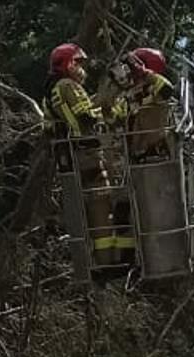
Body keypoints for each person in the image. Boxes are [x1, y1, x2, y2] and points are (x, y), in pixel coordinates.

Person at [44, 43, 134, 268]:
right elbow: (87, 118)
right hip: (87, 152)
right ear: (68, 64)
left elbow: (49, 127)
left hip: (72, 157)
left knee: (96, 208)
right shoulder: (68, 85)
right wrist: (105, 102)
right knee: (102, 206)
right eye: (78, 63)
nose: (82, 69)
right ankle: (111, 262)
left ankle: (105, 261)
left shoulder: (50, 92)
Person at [108, 47, 175, 161]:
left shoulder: (152, 82)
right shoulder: (127, 94)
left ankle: (152, 151)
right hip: (135, 148)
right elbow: (119, 114)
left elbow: (166, 89)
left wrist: (146, 100)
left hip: (153, 141)